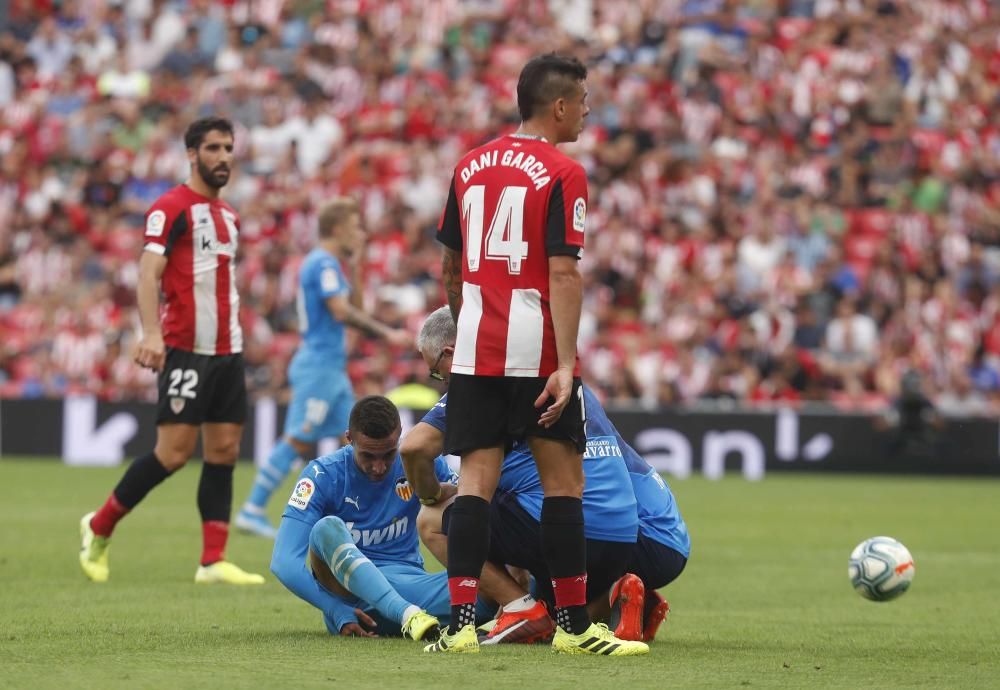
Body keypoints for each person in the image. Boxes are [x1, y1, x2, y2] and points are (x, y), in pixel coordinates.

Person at [413, 52, 646, 656]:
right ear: (560, 104)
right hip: (535, 350)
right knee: (563, 486)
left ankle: (461, 626)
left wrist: (469, 328)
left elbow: (450, 262)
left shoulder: (469, 165)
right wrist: (565, 365)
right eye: (585, 101)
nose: (589, 111)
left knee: (473, 487)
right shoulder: (564, 170)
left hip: (476, 350)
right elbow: (564, 275)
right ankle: (572, 630)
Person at [405, 307, 690, 644]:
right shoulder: (563, 379)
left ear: (451, 353)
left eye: (437, 372)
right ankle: (617, 596)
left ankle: (518, 606)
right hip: (661, 540)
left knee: (437, 517)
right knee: (559, 601)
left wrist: (430, 494)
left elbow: (414, 448)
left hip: (610, 533)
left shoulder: (483, 389)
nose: (441, 382)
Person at [78, 117, 264, 585]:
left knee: (224, 449)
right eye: (214, 148)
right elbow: (147, 274)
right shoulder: (170, 207)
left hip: (229, 350)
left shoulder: (230, 216)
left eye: (229, 147)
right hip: (187, 348)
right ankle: (99, 526)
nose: (224, 156)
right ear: (192, 153)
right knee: (174, 453)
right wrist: (150, 334)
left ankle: (212, 561)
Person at [236, 197, 411, 538]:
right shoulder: (322, 262)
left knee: (353, 439)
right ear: (337, 228)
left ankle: (364, 510)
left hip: (332, 368)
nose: (359, 232)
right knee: (299, 439)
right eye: (354, 226)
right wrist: (388, 333)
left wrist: (358, 265)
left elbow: (355, 308)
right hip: (318, 366)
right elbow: (342, 313)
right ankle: (252, 509)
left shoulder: (334, 265)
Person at [270, 395, 465, 639]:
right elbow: (283, 562)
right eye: (368, 456)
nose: (379, 467)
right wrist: (336, 609)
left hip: (412, 586)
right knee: (325, 528)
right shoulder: (322, 474)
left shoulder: (420, 463)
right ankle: (407, 615)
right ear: (348, 438)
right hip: (354, 604)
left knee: (499, 589)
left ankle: (417, 615)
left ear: (400, 434)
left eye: (388, 455)